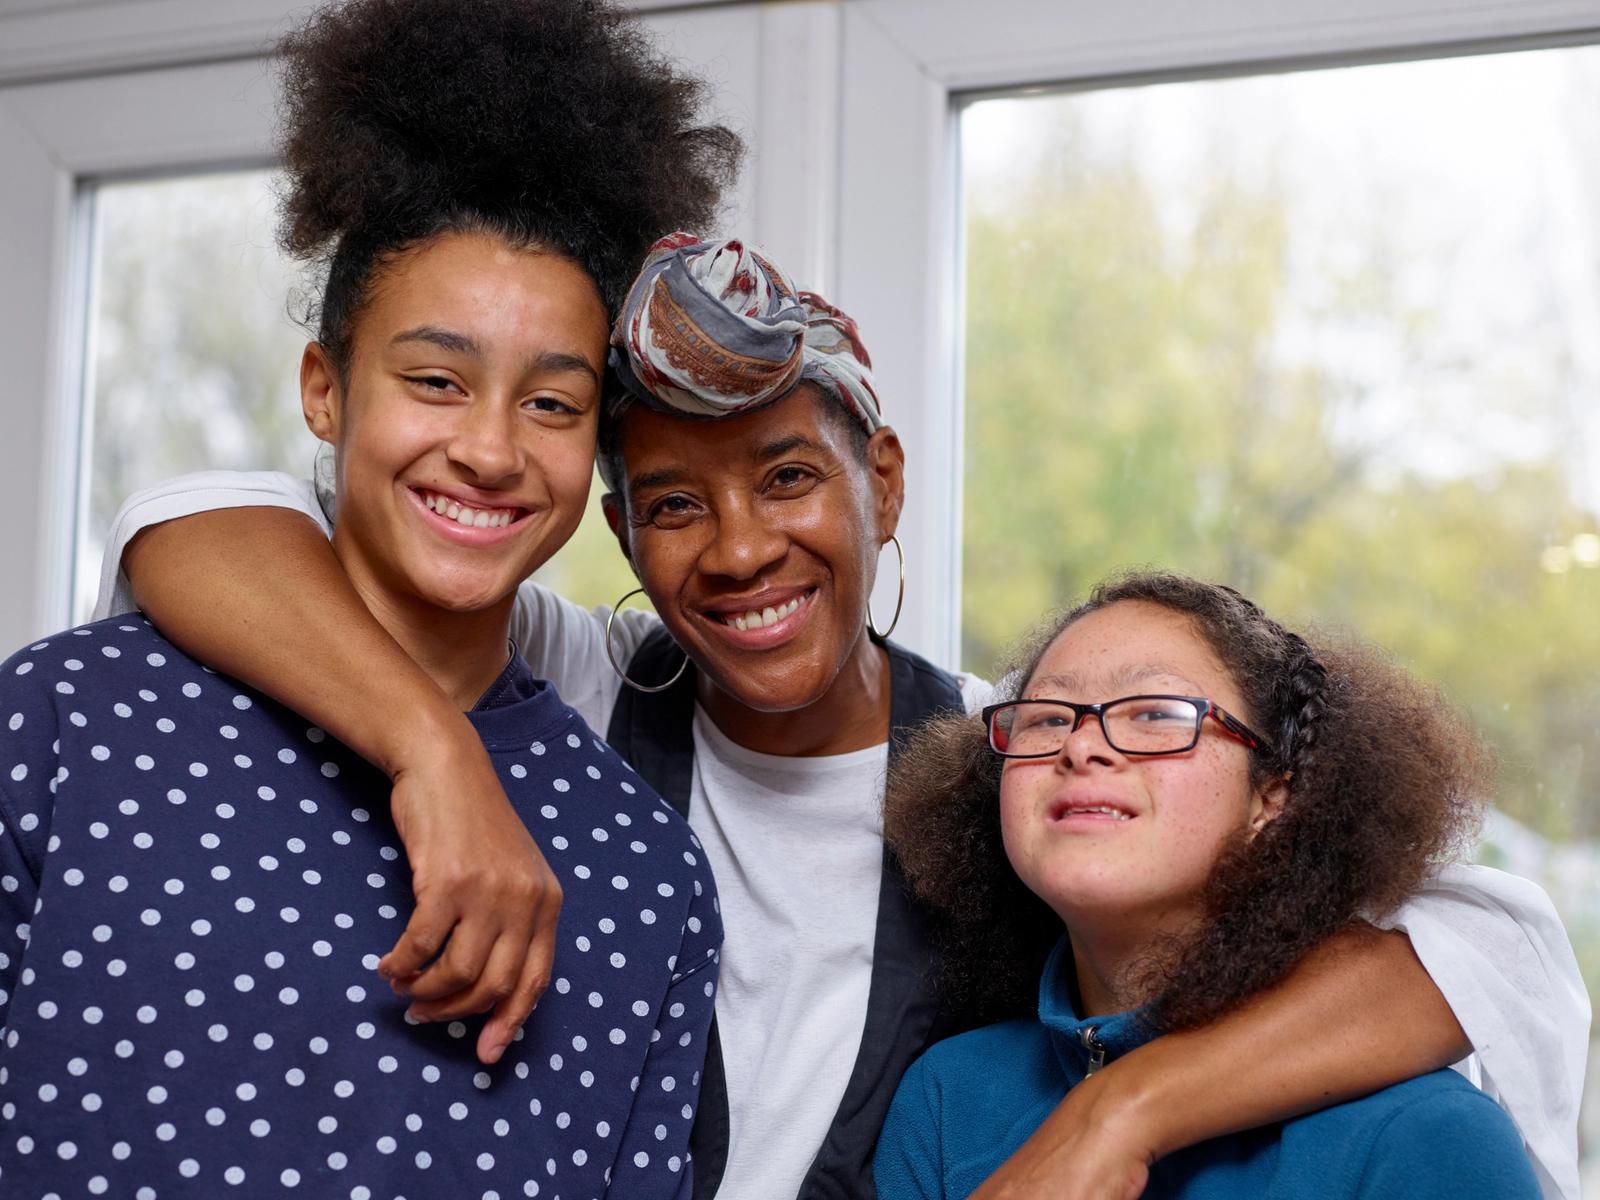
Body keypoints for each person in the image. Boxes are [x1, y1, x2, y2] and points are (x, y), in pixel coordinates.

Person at [95, 239, 1587, 1199]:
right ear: (624, 534)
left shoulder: (1026, 754)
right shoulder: (585, 684)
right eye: (673, 507)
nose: (737, 550)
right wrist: (435, 751)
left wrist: (1116, 1115)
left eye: (790, 481)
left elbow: (1494, 942)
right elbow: (195, 520)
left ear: (880, 478)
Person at [0, 0, 740, 1195]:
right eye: (436, 380)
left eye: (551, 404)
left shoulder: (644, 872)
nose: (491, 451)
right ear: (325, 391)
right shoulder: (67, 721)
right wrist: (433, 749)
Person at [875, 572, 1547, 1199]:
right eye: (1048, 718)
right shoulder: (943, 1100)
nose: (1082, 746)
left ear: (1273, 799)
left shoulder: (1426, 1137)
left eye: (1157, 713)